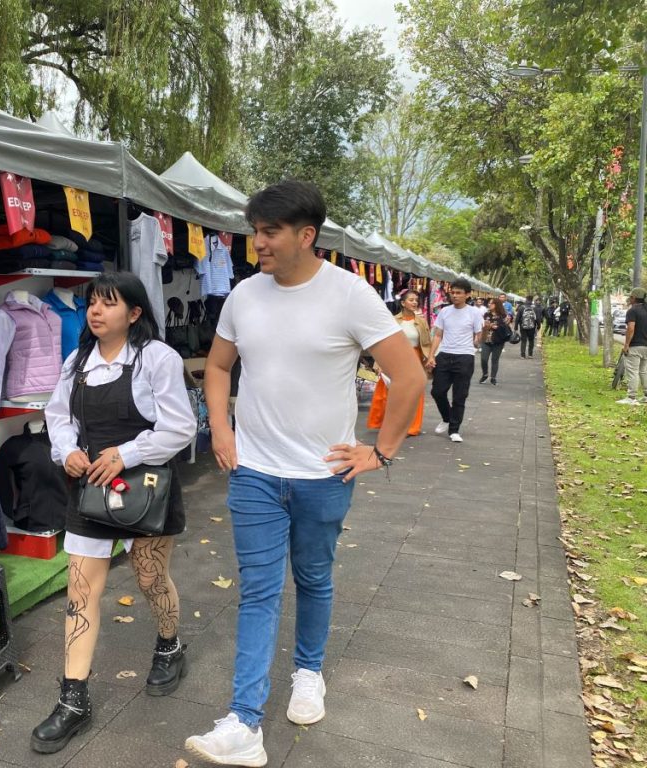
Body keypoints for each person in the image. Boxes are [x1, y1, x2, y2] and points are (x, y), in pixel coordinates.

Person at [184, 180, 425, 767]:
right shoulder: (244, 295)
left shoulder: (350, 296)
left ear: (306, 235)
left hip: (324, 477)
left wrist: (380, 452)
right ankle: (243, 722)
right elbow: (218, 365)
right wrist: (220, 427)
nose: (257, 243)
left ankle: (309, 672)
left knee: (314, 578)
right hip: (255, 474)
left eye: (269, 233)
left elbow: (409, 376)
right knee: (259, 592)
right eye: (255, 232)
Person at [32, 272, 196, 754]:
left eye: (108, 304)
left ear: (135, 313)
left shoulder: (156, 359)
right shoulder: (76, 361)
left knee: (150, 578)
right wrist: (68, 453)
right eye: (91, 304)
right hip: (90, 489)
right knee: (80, 592)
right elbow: (57, 416)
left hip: (144, 486)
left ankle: (169, 644)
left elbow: (180, 426)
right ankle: (73, 699)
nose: (95, 312)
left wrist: (125, 453)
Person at [367, 289, 431, 436]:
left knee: (413, 393)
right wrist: (379, 363)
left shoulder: (421, 322)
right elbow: (384, 343)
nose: (414, 302)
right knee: (386, 391)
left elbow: (426, 343)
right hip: (395, 357)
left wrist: (429, 359)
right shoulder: (393, 321)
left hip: (415, 358)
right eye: (411, 300)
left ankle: (412, 427)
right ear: (403, 303)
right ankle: (386, 424)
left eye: (416, 300)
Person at [427, 278, 484, 443]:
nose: (455, 295)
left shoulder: (474, 313)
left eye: (459, 293)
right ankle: (447, 417)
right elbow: (438, 335)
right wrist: (431, 355)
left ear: (467, 294)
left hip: (465, 356)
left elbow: (477, 338)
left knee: (460, 396)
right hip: (444, 354)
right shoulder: (445, 311)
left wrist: (480, 337)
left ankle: (454, 430)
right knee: (437, 391)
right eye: (453, 292)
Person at [617, 286, 647, 405]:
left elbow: (631, 328)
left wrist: (626, 345)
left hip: (635, 346)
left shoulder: (633, 311)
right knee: (644, 371)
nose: (630, 299)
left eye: (631, 297)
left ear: (634, 298)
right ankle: (646, 395)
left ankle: (631, 397)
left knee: (633, 371)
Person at [479, 297, 511, 385]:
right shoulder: (486, 314)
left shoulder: (504, 315)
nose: (489, 304)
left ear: (496, 305)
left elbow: (507, 328)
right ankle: (485, 374)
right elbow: (482, 325)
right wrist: (487, 327)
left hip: (498, 341)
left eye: (491, 303)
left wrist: (497, 327)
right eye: (489, 303)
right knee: (483, 359)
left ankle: (493, 377)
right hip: (486, 340)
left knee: (495, 360)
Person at [515, 294, 541, 359]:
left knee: (523, 340)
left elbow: (517, 318)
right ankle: (530, 354)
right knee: (531, 340)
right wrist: (538, 326)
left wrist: (515, 327)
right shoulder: (534, 308)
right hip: (532, 327)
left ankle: (522, 355)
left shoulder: (521, 307)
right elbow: (537, 318)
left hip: (523, 326)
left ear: (526, 299)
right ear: (532, 300)